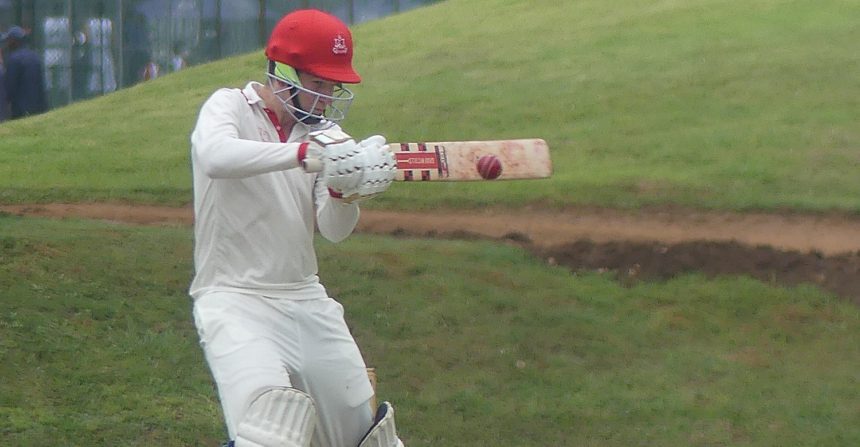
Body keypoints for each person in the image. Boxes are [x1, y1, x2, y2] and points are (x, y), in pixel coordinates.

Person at [189, 9, 404, 447]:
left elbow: (334, 230)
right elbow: (215, 157)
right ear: (283, 73)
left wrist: (347, 192)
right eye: (319, 85)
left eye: (333, 86)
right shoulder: (229, 105)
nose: (327, 98)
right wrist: (301, 154)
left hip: (305, 296)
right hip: (234, 298)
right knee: (269, 433)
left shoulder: (330, 136)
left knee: (368, 439)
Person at [1, 26, 48, 119]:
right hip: (37, 105)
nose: (7, 43)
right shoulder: (34, 56)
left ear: (14, 41)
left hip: (20, 108)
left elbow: (10, 86)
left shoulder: (14, 59)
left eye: (9, 40)